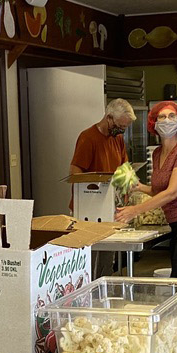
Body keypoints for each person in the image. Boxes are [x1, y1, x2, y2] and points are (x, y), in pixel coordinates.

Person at [116, 100, 177, 284]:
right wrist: (138, 187)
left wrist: (134, 210)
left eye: (171, 116)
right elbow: (158, 190)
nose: (166, 120)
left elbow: (172, 192)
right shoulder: (157, 153)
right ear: (154, 123)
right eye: (161, 116)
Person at [70, 98, 135, 279]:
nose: (122, 131)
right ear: (109, 117)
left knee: (107, 256)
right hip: (89, 209)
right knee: (90, 258)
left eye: (125, 128)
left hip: (109, 208)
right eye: (120, 126)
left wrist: (128, 189)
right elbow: (75, 172)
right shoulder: (88, 138)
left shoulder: (118, 139)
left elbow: (125, 167)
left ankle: (104, 286)